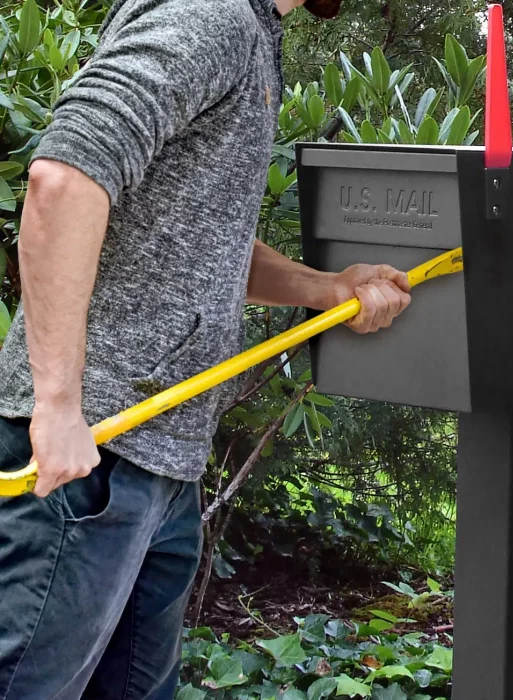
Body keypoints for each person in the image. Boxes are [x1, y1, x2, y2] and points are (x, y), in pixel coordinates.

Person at [0, 0, 411, 696]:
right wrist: (59, 404)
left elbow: (202, 238)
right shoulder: (210, 15)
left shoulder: (249, 31)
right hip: (88, 459)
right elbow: (63, 182)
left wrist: (326, 288)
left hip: (159, 467)